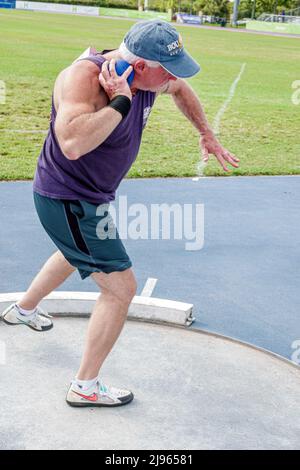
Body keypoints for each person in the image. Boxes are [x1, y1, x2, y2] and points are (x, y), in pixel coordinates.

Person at [1, 19, 239, 408]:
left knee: (73, 253)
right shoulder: (83, 78)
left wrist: (206, 132)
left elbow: (180, 87)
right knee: (120, 288)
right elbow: (73, 143)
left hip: (89, 198)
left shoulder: (153, 78)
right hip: (69, 199)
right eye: (168, 70)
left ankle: (23, 309)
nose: (173, 78)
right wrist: (122, 99)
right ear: (141, 67)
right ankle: (85, 386)